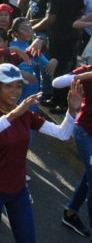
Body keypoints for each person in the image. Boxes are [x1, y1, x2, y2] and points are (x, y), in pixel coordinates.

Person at [0, 63, 80, 242]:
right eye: (9, 86)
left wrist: (72, 110)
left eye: (19, 85)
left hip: (19, 190)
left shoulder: (26, 115)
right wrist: (14, 114)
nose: (15, 91)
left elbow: (62, 134)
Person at [33, 0, 85, 113]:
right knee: (69, 70)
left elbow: (50, 19)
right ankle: (57, 99)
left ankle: (61, 104)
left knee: (59, 70)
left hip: (58, 38)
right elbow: (80, 14)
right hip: (72, 37)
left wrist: (33, 28)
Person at [53, 66, 92, 237]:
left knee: (89, 177)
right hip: (86, 133)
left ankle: (70, 212)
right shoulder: (88, 71)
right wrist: (86, 75)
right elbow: (57, 82)